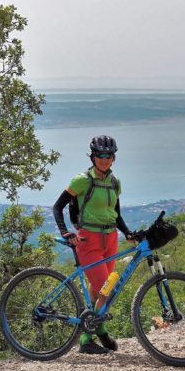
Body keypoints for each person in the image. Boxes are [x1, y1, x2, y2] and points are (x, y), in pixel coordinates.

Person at [52, 135, 139, 355]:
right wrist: (65, 231)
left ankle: (97, 331)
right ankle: (88, 338)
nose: (104, 158)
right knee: (105, 289)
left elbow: (115, 213)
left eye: (108, 155)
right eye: (100, 154)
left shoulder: (114, 182)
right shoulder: (82, 180)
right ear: (92, 156)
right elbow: (57, 206)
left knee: (99, 290)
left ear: (114, 157)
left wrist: (127, 232)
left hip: (111, 240)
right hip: (88, 240)